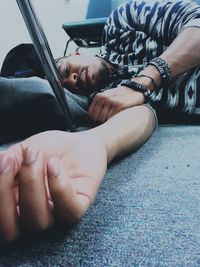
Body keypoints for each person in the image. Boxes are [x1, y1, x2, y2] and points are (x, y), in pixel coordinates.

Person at [0, 0, 200, 243]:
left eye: (65, 70)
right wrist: (96, 142)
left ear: (76, 53)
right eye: (67, 86)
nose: (73, 79)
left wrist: (143, 81)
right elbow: (145, 115)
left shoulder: (122, 24)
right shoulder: (102, 100)